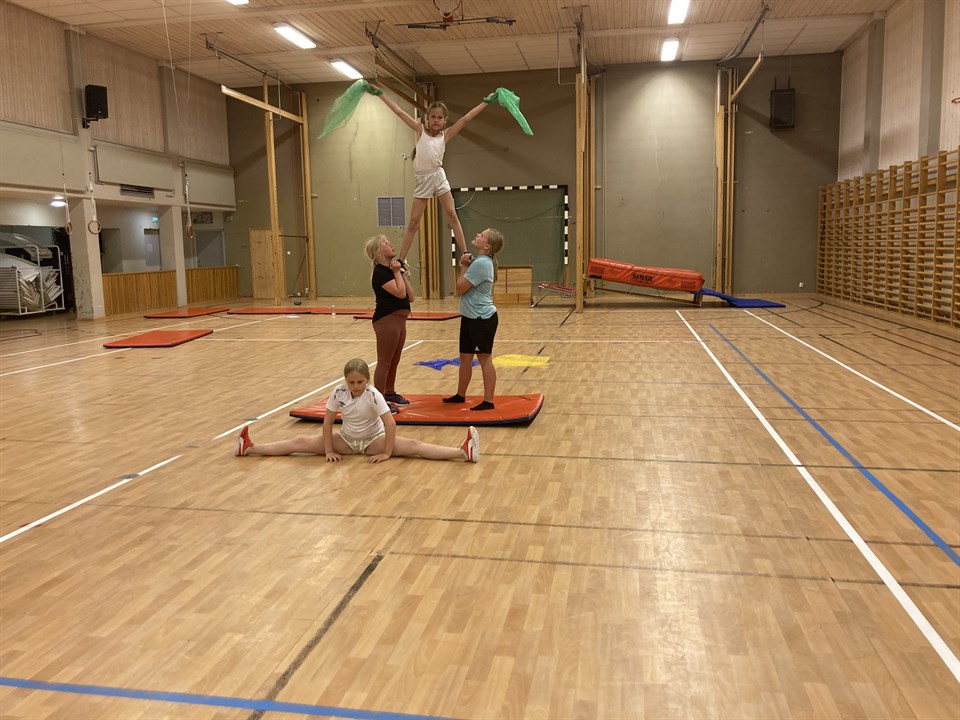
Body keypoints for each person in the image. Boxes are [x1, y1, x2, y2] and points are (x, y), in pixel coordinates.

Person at [235, 358, 480, 463]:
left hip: (374, 441)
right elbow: (327, 422)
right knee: (299, 442)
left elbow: (390, 424)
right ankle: (250, 448)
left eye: (359, 382)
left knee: (414, 446)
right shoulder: (338, 392)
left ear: (367, 380)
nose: (355, 386)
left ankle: (462, 452)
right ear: (345, 381)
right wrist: (329, 449)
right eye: (351, 382)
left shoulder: (374, 395)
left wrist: (386, 452)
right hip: (346, 441)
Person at [372, 87, 494, 264]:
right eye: (433, 117)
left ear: (444, 120)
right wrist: (380, 94)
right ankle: (402, 259)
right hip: (423, 179)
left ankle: (465, 252)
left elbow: (466, 118)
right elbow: (399, 112)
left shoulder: (446, 135)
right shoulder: (420, 130)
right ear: (427, 118)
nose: (436, 120)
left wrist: (485, 102)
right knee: (414, 222)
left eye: (440, 117)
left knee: (452, 214)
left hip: (438, 175)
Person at [443, 228, 504, 411]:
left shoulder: (481, 264)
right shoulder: (480, 262)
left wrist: (463, 267)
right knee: (465, 358)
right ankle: (460, 395)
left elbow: (459, 288)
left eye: (482, 235)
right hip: (470, 317)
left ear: (487, 246)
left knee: (485, 359)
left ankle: (488, 401)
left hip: (481, 319)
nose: (477, 235)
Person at [364, 234, 413, 407]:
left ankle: (390, 392)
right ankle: (379, 400)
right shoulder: (380, 273)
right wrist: (396, 273)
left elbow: (410, 296)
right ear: (378, 252)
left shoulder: (393, 271)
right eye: (386, 243)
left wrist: (403, 275)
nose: (391, 244)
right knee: (384, 361)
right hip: (387, 320)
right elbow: (399, 293)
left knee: (394, 359)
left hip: (400, 320)